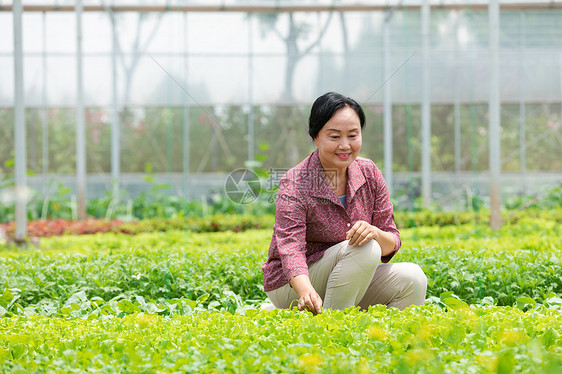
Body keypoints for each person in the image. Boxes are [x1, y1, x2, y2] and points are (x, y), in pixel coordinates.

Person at [262, 92, 427, 314]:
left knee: (413, 277)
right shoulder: (296, 180)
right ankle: (334, 331)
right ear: (315, 137)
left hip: (352, 274)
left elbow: (391, 241)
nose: (345, 145)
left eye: (352, 135)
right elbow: (290, 247)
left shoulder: (369, 173)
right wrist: (305, 291)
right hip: (294, 284)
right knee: (365, 248)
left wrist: (374, 232)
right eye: (334, 136)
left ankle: (376, 342)